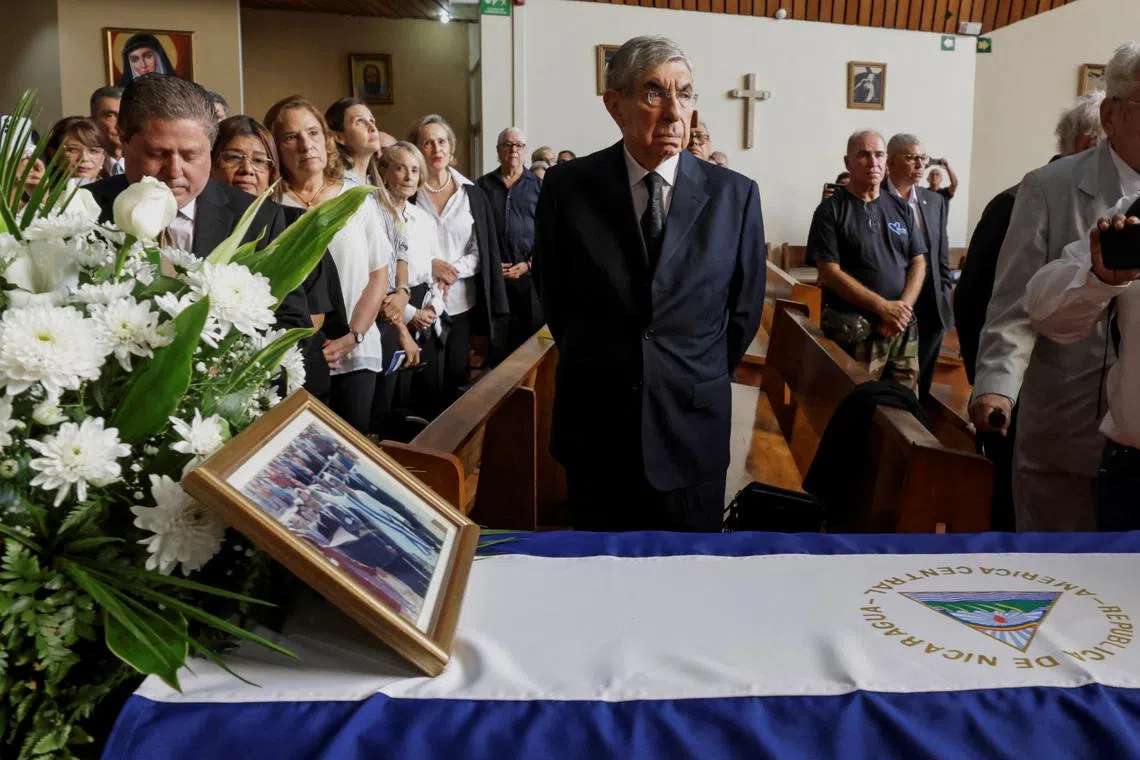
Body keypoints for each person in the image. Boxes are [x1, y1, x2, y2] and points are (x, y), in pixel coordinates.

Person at [533, 35, 766, 532]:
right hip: (597, 425)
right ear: (615, 105)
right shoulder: (568, 188)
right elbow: (556, 297)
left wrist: (685, 372)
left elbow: (742, 312)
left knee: (687, 583)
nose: (674, 111)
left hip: (690, 426)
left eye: (684, 94)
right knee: (598, 579)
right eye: (654, 93)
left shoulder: (735, 197)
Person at [968, 43, 1139, 532]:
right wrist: (997, 387)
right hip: (1065, 421)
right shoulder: (1049, 187)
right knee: (1058, 579)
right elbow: (1014, 304)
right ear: (1112, 113)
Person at [85, 75, 312, 333]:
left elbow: (291, 326)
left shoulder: (259, 218)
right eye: (157, 154)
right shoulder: (82, 209)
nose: (174, 171)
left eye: (190, 155)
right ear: (123, 140)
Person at [265, 95, 392, 435]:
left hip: (355, 347)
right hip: (294, 355)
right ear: (275, 147)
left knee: (353, 453)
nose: (306, 145)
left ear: (326, 138)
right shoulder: (270, 204)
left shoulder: (356, 197)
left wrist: (353, 335)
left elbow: (379, 274)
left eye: (313, 133)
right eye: (291, 137)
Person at [210, 114, 342, 404]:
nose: (247, 169)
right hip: (212, 380)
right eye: (233, 158)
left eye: (259, 161)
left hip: (292, 373)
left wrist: (246, 359)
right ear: (211, 163)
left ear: (273, 173)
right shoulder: (198, 227)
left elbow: (315, 316)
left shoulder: (298, 226)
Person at [806, 130, 926, 392]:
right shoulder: (831, 210)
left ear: (886, 160)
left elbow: (918, 261)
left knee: (905, 409)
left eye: (879, 154)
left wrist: (900, 311)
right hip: (857, 331)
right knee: (857, 407)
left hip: (901, 330)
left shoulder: (901, 208)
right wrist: (882, 307)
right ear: (848, 162)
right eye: (864, 155)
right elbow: (828, 271)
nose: (873, 162)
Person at [409, 114, 509, 412]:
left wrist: (449, 272)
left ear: (451, 148)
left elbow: (482, 251)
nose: (435, 148)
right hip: (419, 301)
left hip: (460, 300)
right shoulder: (408, 193)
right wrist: (431, 266)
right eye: (427, 142)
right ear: (417, 149)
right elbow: (397, 246)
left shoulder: (472, 193)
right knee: (422, 380)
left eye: (441, 141)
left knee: (455, 378)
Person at [375, 141, 445, 428]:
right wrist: (409, 315)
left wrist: (432, 308)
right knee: (386, 397)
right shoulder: (375, 214)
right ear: (385, 172)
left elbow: (434, 272)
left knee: (418, 400)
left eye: (415, 170)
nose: (408, 177)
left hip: (423, 308)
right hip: (387, 310)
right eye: (400, 168)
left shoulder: (424, 220)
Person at [884, 133, 953, 398]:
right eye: (912, 158)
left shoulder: (934, 201)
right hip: (891, 303)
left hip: (930, 305)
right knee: (890, 382)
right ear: (891, 162)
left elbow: (941, 253)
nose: (920, 165)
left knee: (921, 385)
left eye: (922, 158)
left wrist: (944, 290)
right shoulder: (875, 197)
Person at [477, 127, 544, 353]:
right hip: (493, 278)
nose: (513, 149)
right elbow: (474, 232)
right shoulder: (481, 187)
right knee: (498, 342)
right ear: (498, 150)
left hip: (528, 278)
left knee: (529, 344)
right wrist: (489, 264)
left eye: (519, 145)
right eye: (507, 144)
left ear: (525, 151)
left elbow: (547, 234)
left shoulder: (539, 187)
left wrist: (528, 264)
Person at [325, 97, 382, 185]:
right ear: (339, 137)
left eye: (372, 120)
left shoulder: (374, 183)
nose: (372, 127)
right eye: (359, 121)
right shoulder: (337, 186)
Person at [44, 117, 110, 186]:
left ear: (103, 157)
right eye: (73, 150)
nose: (84, 158)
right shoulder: (40, 194)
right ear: (53, 155)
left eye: (93, 151)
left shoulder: (116, 194)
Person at [89, 86, 124, 175]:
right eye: (110, 116)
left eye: (127, 114)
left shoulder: (145, 166)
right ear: (93, 121)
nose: (121, 123)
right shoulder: (84, 166)